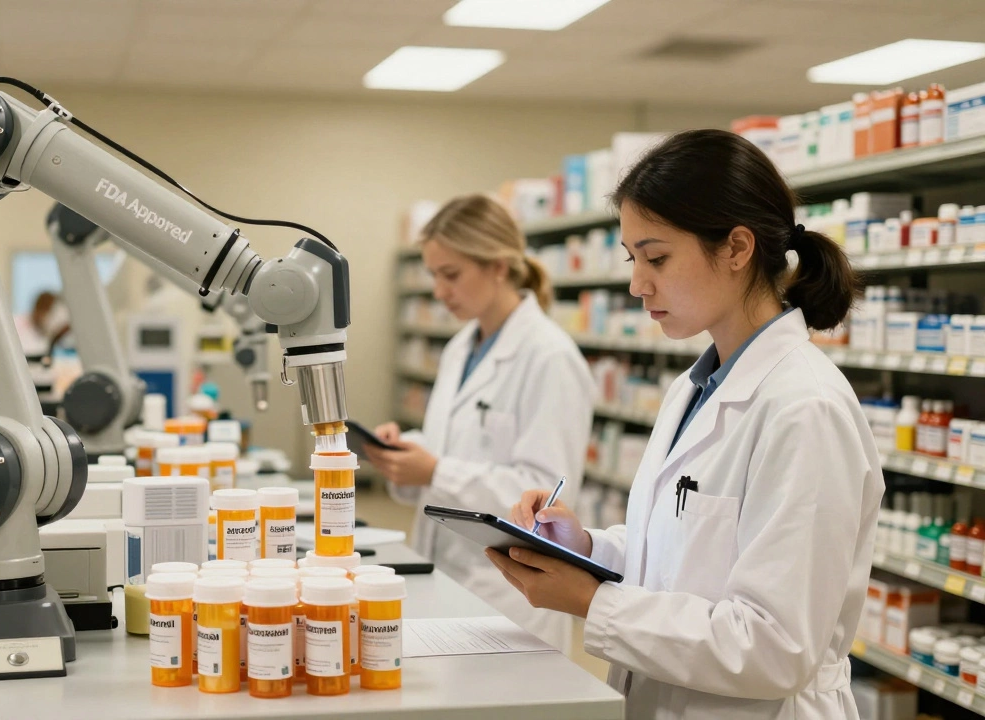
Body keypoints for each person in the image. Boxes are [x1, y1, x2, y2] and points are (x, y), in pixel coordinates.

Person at [490, 129, 882, 718]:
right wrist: (588, 547)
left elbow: (776, 646)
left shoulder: (806, 408)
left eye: (657, 257)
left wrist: (595, 603)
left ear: (736, 247)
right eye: (632, 259)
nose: (636, 284)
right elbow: (681, 558)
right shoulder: (694, 388)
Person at [366, 193, 594, 651]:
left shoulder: (549, 357)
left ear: (499, 266)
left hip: (507, 598)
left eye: (451, 274)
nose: (438, 290)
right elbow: (456, 449)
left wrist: (435, 472)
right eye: (433, 275)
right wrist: (403, 455)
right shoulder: (460, 347)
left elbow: (545, 498)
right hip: (443, 576)